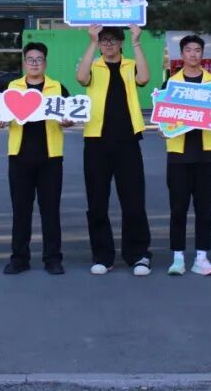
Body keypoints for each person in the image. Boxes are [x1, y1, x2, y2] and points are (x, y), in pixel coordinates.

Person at [76, 24, 152, 277]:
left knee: (133, 201)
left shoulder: (130, 64)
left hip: (128, 140)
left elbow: (144, 78)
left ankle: (138, 254)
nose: (108, 45)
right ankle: (102, 255)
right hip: (96, 141)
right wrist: (91, 42)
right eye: (104, 41)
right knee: (97, 203)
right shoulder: (93, 65)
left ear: (121, 43)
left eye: (113, 40)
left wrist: (137, 41)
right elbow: (81, 78)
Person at [0, 42, 71, 275]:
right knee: (21, 211)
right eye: (30, 59)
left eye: (39, 59)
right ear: (24, 63)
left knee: (50, 210)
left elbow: (70, 115)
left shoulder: (58, 88)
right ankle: (19, 258)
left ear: (45, 63)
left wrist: (68, 121)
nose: (35, 63)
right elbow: (3, 114)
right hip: (19, 157)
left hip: (50, 157)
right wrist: (1, 120)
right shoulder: (12, 87)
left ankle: (53, 258)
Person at [163, 34, 211, 276]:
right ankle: (177, 257)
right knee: (178, 208)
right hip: (178, 154)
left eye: (197, 50)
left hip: (207, 155)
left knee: (204, 209)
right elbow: (164, 118)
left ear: (202, 54)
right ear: (182, 54)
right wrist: (165, 128)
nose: (193, 54)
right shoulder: (171, 84)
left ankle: (201, 258)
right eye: (189, 50)